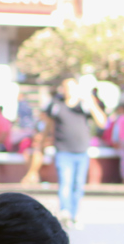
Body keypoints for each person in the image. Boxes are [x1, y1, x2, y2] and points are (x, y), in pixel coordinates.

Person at [44, 78, 106, 229]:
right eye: (67, 87)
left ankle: (75, 213)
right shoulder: (56, 105)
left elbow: (102, 122)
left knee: (78, 185)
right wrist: (43, 141)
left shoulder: (84, 106)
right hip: (63, 150)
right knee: (65, 183)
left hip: (81, 151)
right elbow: (48, 125)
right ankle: (65, 212)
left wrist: (90, 101)